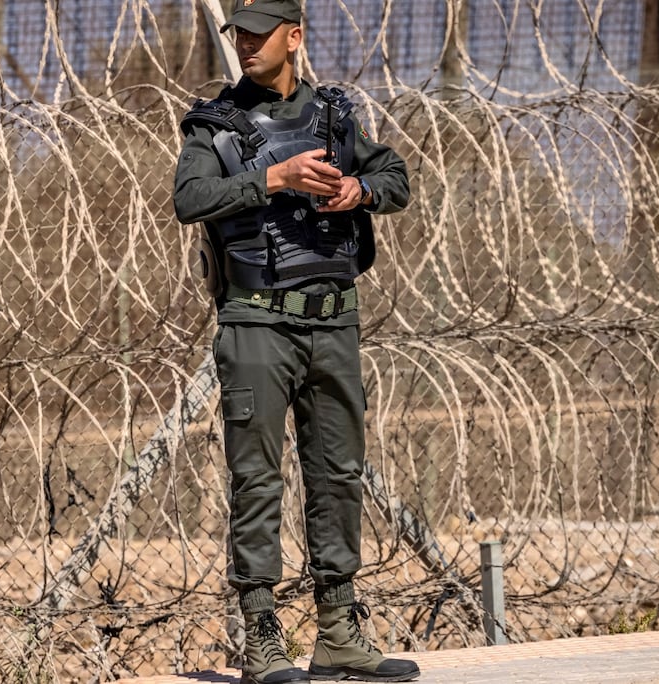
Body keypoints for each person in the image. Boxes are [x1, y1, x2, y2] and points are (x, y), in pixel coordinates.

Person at [172, 1, 417, 682]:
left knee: (337, 474)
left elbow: (397, 179)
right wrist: (272, 179)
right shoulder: (214, 124)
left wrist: (358, 190)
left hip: (334, 318)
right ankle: (260, 638)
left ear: (295, 37)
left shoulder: (336, 118)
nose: (247, 44)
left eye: (260, 33)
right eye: (239, 34)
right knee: (256, 478)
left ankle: (339, 630)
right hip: (255, 321)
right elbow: (189, 199)